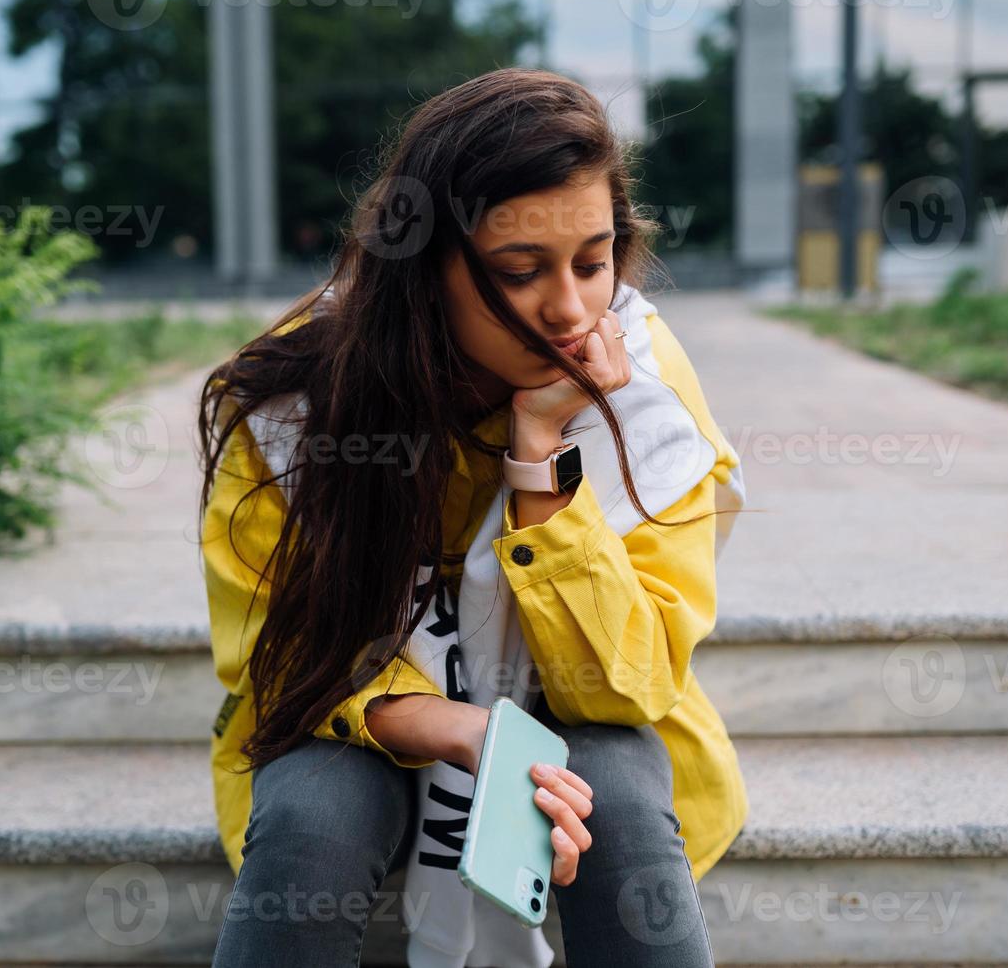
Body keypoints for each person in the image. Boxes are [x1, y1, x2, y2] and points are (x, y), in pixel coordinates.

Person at [197, 66, 749, 967]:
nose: (571, 311)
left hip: (582, 712)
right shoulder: (295, 408)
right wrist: (455, 725)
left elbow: (628, 686)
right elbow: (280, 661)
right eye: (518, 270)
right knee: (313, 813)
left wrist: (542, 457)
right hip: (354, 718)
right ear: (424, 273)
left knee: (607, 779)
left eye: (593, 261)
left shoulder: (642, 389)